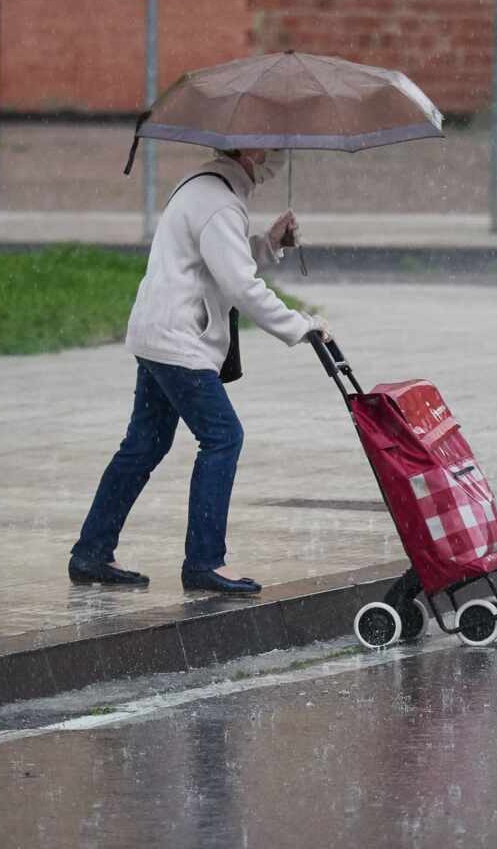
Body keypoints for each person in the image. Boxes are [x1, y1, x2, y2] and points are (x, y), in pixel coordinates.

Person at [69, 147, 329, 594]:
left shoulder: (202, 186)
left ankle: (91, 552)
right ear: (250, 151)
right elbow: (241, 286)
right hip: (178, 340)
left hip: (155, 333)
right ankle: (204, 562)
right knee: (223, 437)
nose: (277, 160)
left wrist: (267, 244)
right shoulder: (221, 201)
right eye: (272, 151)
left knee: (143, 445)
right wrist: (301, 327)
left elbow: (217, 261)